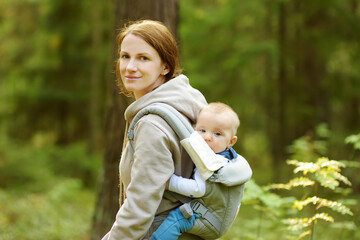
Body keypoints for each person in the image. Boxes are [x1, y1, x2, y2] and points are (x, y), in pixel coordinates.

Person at [101, 20, 207, 240]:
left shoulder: (152, 124)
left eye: (143, 58)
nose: (130, 67)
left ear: (165, 67)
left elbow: (140, 207)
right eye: (125, 56)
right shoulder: (184, 103)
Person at [150, 102, 243, 240]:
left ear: (231, 141)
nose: (207, 137)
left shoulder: (212, 163)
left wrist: (169, 182)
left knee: (177, 219)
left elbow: (198, 189)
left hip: (210, 221)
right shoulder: (232, 159)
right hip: (220, 220)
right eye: (202, 130)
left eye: (217, 133)